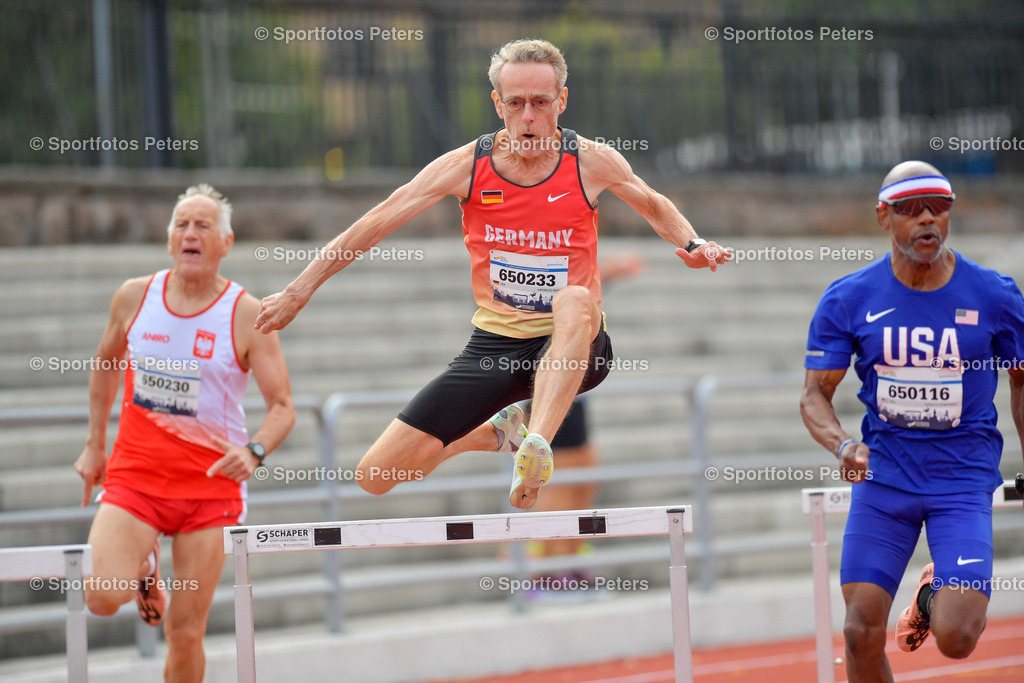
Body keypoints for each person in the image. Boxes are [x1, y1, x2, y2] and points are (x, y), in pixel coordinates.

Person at [254, 38, 728, 510]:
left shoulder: (590, 161)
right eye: (516, 103)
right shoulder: (467, 167)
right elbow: (376, 221)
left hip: (577, 347)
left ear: (561, 101)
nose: (528, 118)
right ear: (497, 104)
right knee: (376, 475)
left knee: (575, 299)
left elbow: (654, 203)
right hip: (496, 346)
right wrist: (299, 291)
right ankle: (497, 436)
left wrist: (692, 243)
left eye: (541, 103)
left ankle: (536, 446)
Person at [799, 161, 1024, 681]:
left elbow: (1021, 379)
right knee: (859, 633)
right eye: (910, 209)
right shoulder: (849, 299)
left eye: (939, 208)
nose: (927, 220)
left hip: (961, 480)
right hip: (886, 480)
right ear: (884, 217)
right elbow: (814, 394)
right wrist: (842, 446)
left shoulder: (993, 295)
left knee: (957, 639)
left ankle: (932, 594)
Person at [74, 184, 295, 682]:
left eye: (203, 226)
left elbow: (283, 407)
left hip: (210, 489)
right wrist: (94, 445)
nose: (191, 234)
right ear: (169, 240)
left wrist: (254, 449)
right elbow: (106, 365)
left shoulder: (246, 314)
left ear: (225, 242)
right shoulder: (135, 296)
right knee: (102, 596)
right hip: (136, 480)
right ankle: (146, 570)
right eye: (182, 225)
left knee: (185, 629)